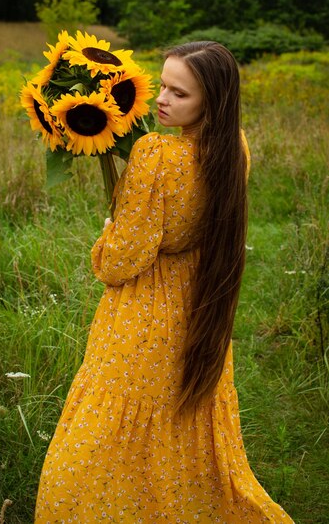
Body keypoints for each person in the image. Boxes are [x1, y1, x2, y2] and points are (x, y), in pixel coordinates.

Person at [35, 41, 294, 522]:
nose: (162, 100)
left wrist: (109, 235)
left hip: (144, 311)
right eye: (164, 84)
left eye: (180, 94)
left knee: (105, 433)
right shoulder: (233, 146)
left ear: (210, 101)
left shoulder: (156, 155)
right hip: (199, 304)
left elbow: (119, 265)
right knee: (178, 422)